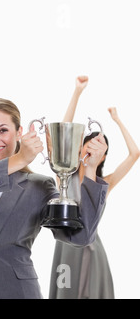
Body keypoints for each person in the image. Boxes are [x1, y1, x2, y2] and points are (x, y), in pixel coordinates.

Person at [0, 97, 109, 299]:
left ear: (19, 133)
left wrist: (92, 168)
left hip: (16, 293)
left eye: (3, 130)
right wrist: (20, 158)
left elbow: (80, 236)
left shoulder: (39, 186)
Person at [49, 76, 140, 299]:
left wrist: (117, 120)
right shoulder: (66, 175)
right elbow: (63, 132)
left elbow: (135, 154)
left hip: (92, 249)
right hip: (66, 250)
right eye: (87, 149)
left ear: (103, 156)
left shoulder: (103, 185)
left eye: (96, 151)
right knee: (65, 293)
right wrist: (77, 92)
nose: (89, 153)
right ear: (79, 150)